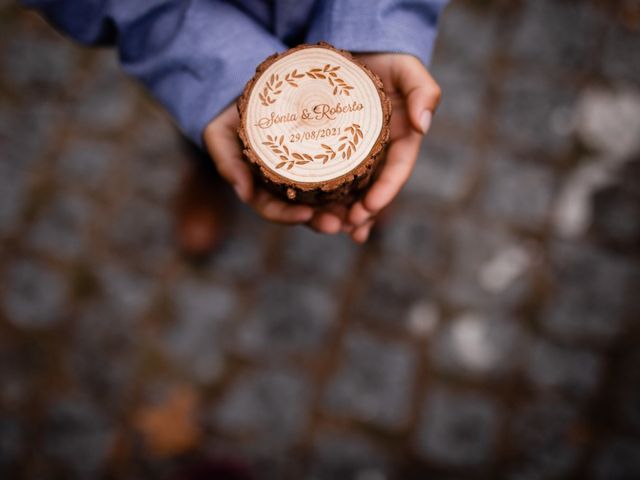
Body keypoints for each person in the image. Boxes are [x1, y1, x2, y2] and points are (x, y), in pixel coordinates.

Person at [21, 0, 445, 254]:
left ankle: (362, 181)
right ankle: (213, 173)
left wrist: (379, 19)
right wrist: (209, 66)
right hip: (195, 39)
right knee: (214, 139)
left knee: (372, 144)